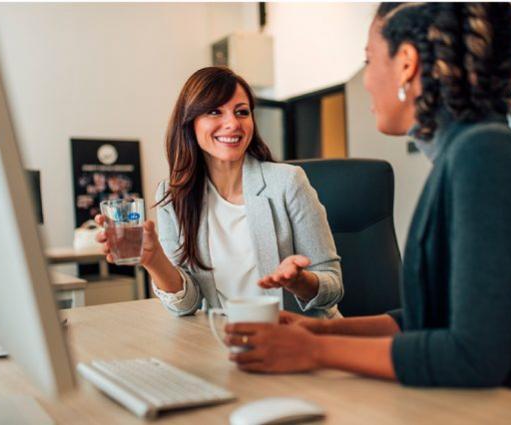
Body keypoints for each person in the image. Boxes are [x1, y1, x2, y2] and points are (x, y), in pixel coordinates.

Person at [225, 2, 511, 411]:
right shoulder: (470, 153)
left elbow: (473, 355)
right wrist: (317, 333)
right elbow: (430, 319)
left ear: (407, 64)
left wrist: (312, 353)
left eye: (369, 61)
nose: (367, 81)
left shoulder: (485, 157)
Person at [95, 67, 343, 318]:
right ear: (190, 122)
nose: (233, 123)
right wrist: (153, 259)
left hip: (295, 337)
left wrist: (298, 282)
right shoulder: (174, 195)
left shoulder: (287, 182)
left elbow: (333, 286)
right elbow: (185, 304)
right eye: (215, 111)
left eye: (242, 112)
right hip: (221, 338)